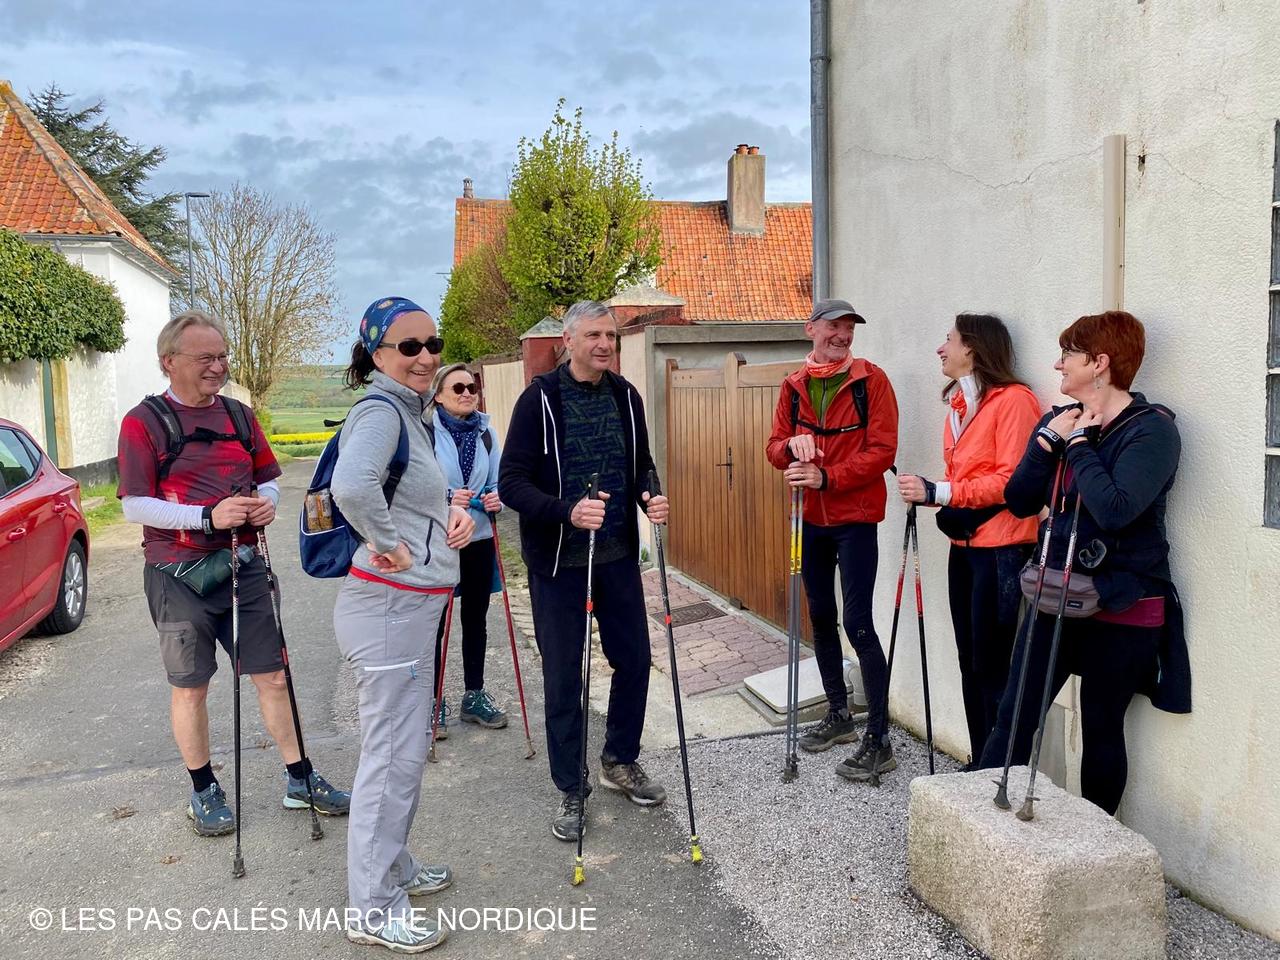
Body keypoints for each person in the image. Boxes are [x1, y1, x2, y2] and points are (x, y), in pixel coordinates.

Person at [116, 310, 350, 839]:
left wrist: (265, 503)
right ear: (168, 361)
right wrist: (206, 517)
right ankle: (203, 790)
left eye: (222, 356)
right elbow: (134, 504)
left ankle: (300, 778)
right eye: (205, 358)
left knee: (274, 675)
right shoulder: (143, 422)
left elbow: (268, 478)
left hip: (244, 566)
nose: (218, 366)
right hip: (177, 575)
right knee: (191, 687)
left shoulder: (239, 416)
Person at [979, 310, 1191, 814]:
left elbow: (1115, 509)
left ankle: (1094, 841)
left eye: (1067, 354)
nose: (1058, 364)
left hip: (1124, 602)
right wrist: (1047, 442)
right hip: (1055, 591)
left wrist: (1076, 446)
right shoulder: (1062, 422)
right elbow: (1020, 501)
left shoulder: (1152, 432)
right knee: (1014, 715)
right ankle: (979, 822)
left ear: (1100, 363)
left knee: (1101, 726)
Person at [329, 296, 476, 952]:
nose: (425, 357)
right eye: (408, 346)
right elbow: (353, 487)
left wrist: (450, 514)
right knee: (391, 759)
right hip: (388, 610)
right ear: (376, 354)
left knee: (407, 753)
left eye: (432, 344)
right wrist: (389, 543)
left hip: (409, 608)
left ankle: (394, 866)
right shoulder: (381, 411)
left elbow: (410, 492)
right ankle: (372, 907)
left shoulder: (413, 413)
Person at [498, 299, 669, 842]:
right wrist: (566, 511)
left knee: (635, 661)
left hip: (615, 555)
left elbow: (641, 465)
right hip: (558, 564)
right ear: (567, 341)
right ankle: (571, 787)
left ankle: (619, 759)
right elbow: (511, 484)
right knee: (565, 676)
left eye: (610, 336)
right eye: (593, 335)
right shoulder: (538, 401)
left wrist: (651, 496)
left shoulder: (626, 396)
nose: (604, 344)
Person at [896, 314, 1043, 767]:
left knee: (992, 665)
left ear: (973, 349)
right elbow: (966, 478)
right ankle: (981, 761)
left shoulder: (1014, 401)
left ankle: (1000, 770)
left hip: (1002, 550)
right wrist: (938, 493)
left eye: (949, 339)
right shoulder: (961, 406)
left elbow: (1013, 481)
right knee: (969, 660)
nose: (941, 348)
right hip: (964, 548)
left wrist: (938, 492)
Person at [766, 298, 900, 782]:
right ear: (812, 330)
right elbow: (773, 448)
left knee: (858, 623)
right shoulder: (793, 386)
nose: (842, 335)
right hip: (809, 521)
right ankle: (840, 715)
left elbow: (883, 451)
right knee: (820, 617)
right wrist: (790, 447)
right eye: (834, 327)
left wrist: (828, 477)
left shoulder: (872, 381)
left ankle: (879, 738)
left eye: (849, 328)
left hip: (855, 520)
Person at [429, 362, 506, 738]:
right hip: (438, 539)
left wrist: (496, 498)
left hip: (478, 536)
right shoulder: (426, 433)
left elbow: (499, 482)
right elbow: (413, 485)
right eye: (457, 388)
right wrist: (445, 497)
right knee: (435, 622)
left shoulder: (486, 432)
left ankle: (473, 696)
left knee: (476, 618)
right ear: (438, 396)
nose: (467, 393)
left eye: (471, 387)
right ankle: (432, 701)